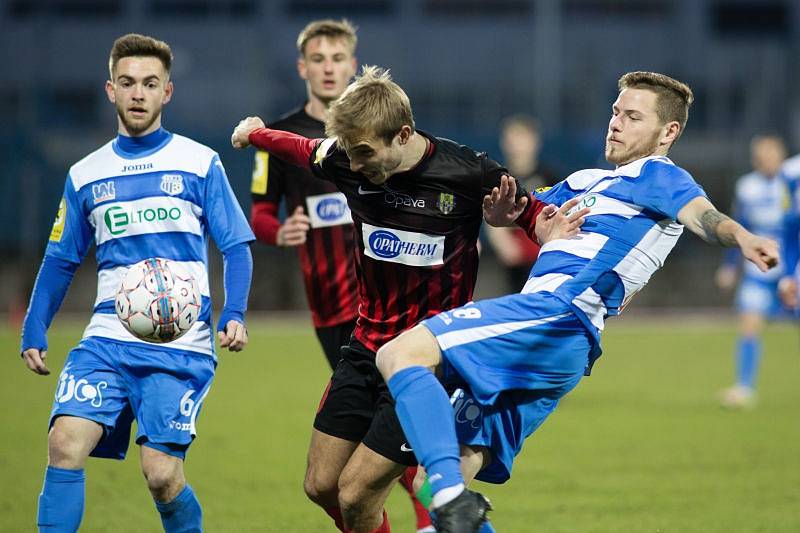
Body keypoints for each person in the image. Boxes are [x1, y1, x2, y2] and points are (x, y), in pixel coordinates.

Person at [374, 71, 780, 533]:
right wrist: (504, 215)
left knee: (400, 353)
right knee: (438, 473)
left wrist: (743, 237)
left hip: (557, 314)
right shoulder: (587, 180)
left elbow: (704, 218)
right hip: (556, 346)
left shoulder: (660, 177)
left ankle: (449, 499)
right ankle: (450, 504)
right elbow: (528, 209)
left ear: (668, 132)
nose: (616, 124)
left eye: (632, 117)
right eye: (615, 112)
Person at [231, 66, 584, 533]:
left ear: (402, 134)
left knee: (356, 495)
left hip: (427, 360)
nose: (353, 166)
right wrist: (256, 134)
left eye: (363, 154)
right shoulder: (344, 156)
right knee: (320, 486)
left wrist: (542, 228)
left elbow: (533, 214)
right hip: (364, 348)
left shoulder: (467, 172)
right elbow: (299, 149)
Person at [20, 34, 254, 533]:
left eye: (150, 84)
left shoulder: (199, 162)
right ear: (110, 89)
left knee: (161, 476)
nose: (138, 94)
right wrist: (34, 328)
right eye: (127, 83)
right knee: (63, 443)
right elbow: (61, 260)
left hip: (180, 344)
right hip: (105, 339)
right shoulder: (85, 174)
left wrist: (233, 313)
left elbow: (236, 246)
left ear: (167, 91)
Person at [248, 20, 434, 532]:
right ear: (303, 68)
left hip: (390, 301)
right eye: (319, 58)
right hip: (332, 305)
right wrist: (278, 228)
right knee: (371, 427)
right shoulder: (280, 139)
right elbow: (260, 211)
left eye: (337, 58)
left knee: (389, 417)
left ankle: (424, 521)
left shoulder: (379, 128)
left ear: (353, 65)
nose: (328, 67)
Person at [715, 134, 788, 409]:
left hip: (792, 268)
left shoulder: (793, 183)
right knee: (748, 325)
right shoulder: (747, 187)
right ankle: (744, 388)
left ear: (781, 155)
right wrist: (730, 266)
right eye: (761, 154)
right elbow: (740, 228)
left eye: (770, 153)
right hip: (759, 269)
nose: (765, 158)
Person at [485, 115, 555, 292]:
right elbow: (489, 215)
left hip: (543, 255)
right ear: (504, 142)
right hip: (514, 259)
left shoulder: (550, 177)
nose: (518, 145)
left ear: (535, 141)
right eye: (513, 139)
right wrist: (502, 242)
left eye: (523, 138)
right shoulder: (497, 178)